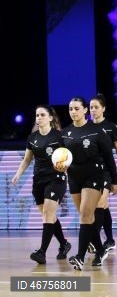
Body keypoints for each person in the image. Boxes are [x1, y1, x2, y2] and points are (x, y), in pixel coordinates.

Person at [62, 97, 117, 270]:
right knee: (88, 218)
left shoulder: (96, 131)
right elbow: (60, 156)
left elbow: (109, 156)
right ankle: (100, 249)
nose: (73, 112)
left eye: (77, 108)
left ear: (85, 110)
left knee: (85, 215)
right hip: (74, 177)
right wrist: (59, 165)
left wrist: (115, 180)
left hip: (93, 175)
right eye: (71, 109)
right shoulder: (65, 133)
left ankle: (79, 256)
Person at [11, 105, 71, 264]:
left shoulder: (60, 136)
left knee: (48, 215)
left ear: (50, 118)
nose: (39, 118)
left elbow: (69, 158)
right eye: (37, 115)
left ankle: (42, 252)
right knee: (49, 216)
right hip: (38, 181)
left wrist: (67, 169)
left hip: (56, 179)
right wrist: (18, 174)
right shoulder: (33, 137)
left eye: (42, 115)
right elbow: (27, 159)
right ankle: (64, 244)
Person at [89, 94, 117, 254]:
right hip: (90, 172)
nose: (93, 110)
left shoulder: (111, 127)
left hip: (105, 172)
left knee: (100, 203)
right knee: (103, 207)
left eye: (96, 107)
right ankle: (110, 240)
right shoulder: (86, 127)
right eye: (91, 107)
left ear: (103, 109)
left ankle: (93, 240)